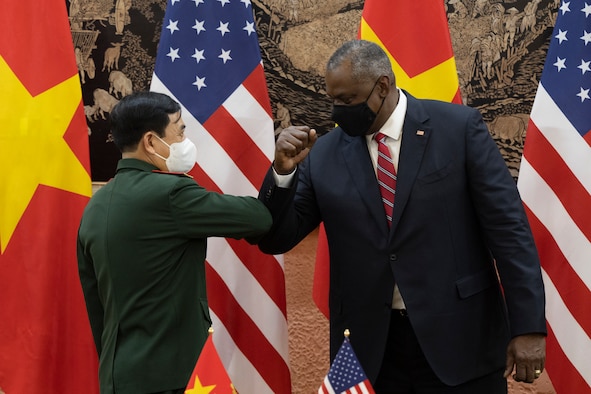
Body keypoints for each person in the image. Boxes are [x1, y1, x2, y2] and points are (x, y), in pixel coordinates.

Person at [257, 40, 546, 393]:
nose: (337, 112)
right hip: (371, 350)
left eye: (347, 101)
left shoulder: (457, 129)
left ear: (382, 86)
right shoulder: (325, 154)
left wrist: (528, 327)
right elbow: (277, 238)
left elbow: (509, 231)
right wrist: (282, 174)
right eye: (332, 100)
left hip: (460, 340)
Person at [77, 91, 272, 394]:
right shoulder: (170, 194)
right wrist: (282, 173)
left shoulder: (94, 206)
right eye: (180, 130)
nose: (184, 138)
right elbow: (258, 219)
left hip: (118, 377)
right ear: (151, 141)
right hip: (170, 378)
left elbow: (96, 308)